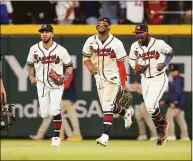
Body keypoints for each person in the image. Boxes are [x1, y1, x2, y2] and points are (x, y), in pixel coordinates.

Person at [82, 17, 134, 146]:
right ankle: (126, 112)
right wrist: (89, 67)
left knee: (106, 106)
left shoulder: (116, 43)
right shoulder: (91, 40)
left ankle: (105, 136)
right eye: (99, 24)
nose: (101, 26)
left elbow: (122, 65)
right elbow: (86, 57)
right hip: (98, 78)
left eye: (104, 24)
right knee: (108, 105)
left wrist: (124, 84)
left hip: (112, 77)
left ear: (109, 27)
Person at [26, 24, 73, 146]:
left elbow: (69, 66)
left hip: (56, 85)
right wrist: (31, 76)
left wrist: (65, 78)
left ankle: (56, 138)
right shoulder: (34, 49)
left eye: (47, 31)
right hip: (41, 85)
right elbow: (29, 64)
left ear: (52, 34)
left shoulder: (61, 50)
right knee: (45, 114)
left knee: (55, 110)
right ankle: (56, 131)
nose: (44, 34)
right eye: (42, 32)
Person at [129, 24, 174, 146]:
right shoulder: (134, 46)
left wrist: (164, 63)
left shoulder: (159, 43)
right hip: (145, 80)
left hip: (159, 79)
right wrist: (136, 67)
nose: (138, 36)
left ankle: (161, 127)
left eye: (141, 33)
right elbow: (132, 60)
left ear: (147, 33)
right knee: (151, 108)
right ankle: (162, 126)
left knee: (150, 106)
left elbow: (170, 52)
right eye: (136, 34)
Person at [29, 70, 82, 141]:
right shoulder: (57, 70)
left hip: (67, 98)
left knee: (70, 116)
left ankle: (75, 135)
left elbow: (66, 85)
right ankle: (63, 135)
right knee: (58, 116)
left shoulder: (69, 70)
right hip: (60, 98)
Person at [160, 65, 190, 141]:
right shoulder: (176, 80)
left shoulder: (177, 80)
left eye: (173, 71)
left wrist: (174, 102)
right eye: (171, 71)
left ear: (177, 71)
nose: (172, 72)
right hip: (180, 104)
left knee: (168, 117)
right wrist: (166, 101)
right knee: (180, 120)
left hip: (176, 104)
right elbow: (172, 93)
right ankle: (185, 137)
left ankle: (171, 135)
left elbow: (177, 93)